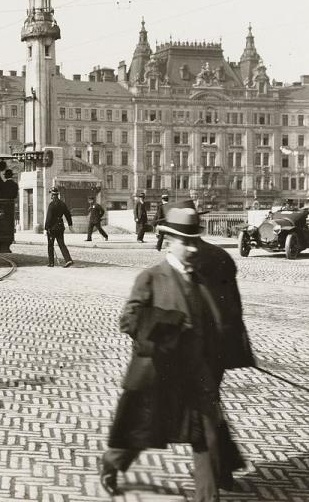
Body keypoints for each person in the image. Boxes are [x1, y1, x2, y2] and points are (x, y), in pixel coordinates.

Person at [100, 202, 254, 499]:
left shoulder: (202, 279)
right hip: (159, 374)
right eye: (186, 242)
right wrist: (167, 324)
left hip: (198, 377)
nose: (193, 248)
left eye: (196, 240)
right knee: (140, 433)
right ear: (169, 241)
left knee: (207, 440)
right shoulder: (151, 277)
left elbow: (218, 322)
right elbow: (128, 320)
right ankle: (112, 462)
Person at [44, 187, 73, 268]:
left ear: (53, 195)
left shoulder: (51, 204)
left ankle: (51, 263)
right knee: (62, 244)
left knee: (50, 245)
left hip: (52, 228)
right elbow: (68, 215)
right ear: (57, 195)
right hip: (60, 227)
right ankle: (68, 259)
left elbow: (49, 218)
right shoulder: (62, 204)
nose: (52, 196)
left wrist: (46, 228)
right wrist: (70, 225)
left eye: (52, 195)